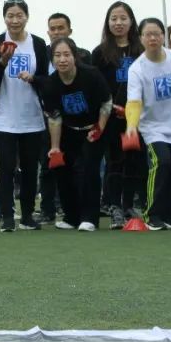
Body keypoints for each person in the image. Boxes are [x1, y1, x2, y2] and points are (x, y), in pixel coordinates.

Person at [125, 18, 171, 230]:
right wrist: (131, 125)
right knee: (162, 162)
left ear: (163, 36)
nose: (153, 38)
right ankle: (151, 213)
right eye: (148, 34)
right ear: (141, 38)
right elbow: (134, 102)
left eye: (157, 33)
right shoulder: (137, 68)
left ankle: (167, 213)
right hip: (153, 129)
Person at [0, 0, 49, 231]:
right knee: (7, 167)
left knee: (31, 168)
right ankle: (7, 216)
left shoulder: (38, 44)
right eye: (10, 16)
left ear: (27, 17)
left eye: (19, 15)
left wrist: (33, 79)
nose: (14, 20)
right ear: (4, 18)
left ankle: (28, 215)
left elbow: (46, 79)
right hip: (4, 117)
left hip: (31, 116)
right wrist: (3, 61)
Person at [41, 37, 111, 231]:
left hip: (94, 128)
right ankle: (71, 217)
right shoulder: (50, 84)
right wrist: (55, 147)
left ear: (75, 56)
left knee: (89, 168)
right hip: (68, 130)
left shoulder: (91, 75)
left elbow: (106, 102)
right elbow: (54, 117)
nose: (62, 59)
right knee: (62, 169)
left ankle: (90, 218)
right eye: (57, 55)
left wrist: (99, 128)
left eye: (66, 54)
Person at [91, 2, 145, 229]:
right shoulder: (100, 53)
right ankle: (114, 207)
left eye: (123, 18)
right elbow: (96, 86)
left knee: (135, 161)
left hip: (137, 116)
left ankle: (128, 204)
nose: (118, 23)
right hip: (111, 116)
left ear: (131, 21)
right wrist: (110, 107)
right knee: (114, 161)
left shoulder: (141, 50)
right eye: (114, 19)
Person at [41, 12, 90, 222]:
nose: (57, 32)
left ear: (70, 30)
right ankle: (47, 209)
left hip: (77, 120)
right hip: (50, 116)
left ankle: (77, 209)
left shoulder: (84, 55)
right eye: (53, 29)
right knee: (49, 164)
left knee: (78, 166)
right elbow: (41, 81)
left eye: (61, 28)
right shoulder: (41, 54)